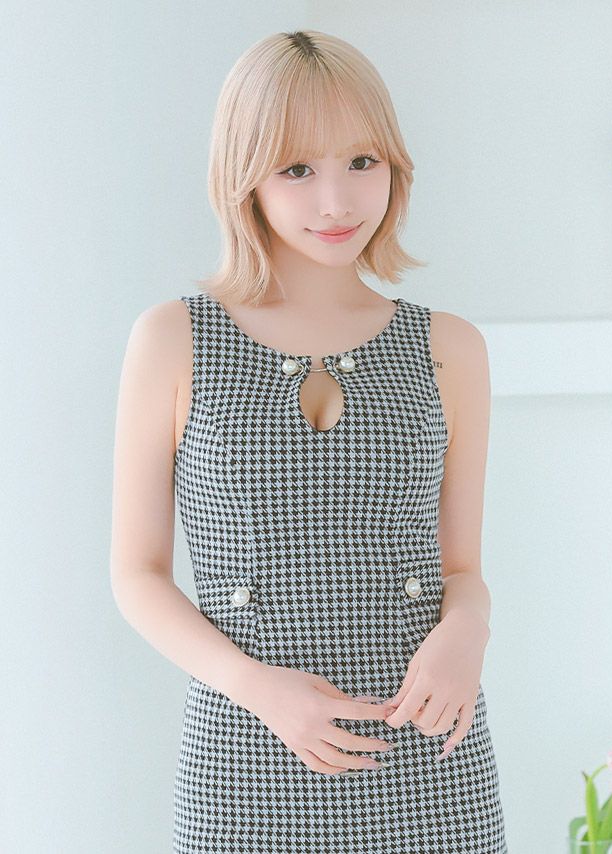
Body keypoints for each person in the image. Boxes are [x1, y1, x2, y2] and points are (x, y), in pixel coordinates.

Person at [110, 29, 508, 854]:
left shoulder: (450, 348)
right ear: (243, 176)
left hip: (428, 753)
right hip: (245, 756)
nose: (336, 202)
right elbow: (136, 575)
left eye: (362, 161)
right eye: (296, 169)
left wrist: (467, 631)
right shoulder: (174, 340)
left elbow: (461, 569)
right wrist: (258, 688)